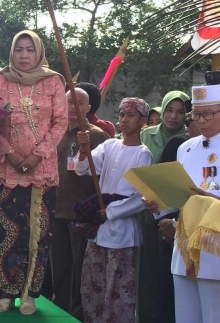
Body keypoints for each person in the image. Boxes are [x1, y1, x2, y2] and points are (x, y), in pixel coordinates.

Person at [144, 84, 220, 323]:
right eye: (196, 115)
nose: (201, 121)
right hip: (185, 243)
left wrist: (218, 201)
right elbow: (180, 194)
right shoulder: (185, 147)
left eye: (208, 114)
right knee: (186, 316)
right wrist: (159, 203)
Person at [0, 30, 67, 315]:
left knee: (37, 233)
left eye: (29, 50)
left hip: (41, 171)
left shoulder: (53, 81)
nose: (23, 55)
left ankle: (30, 293)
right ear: (11, 52)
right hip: (6, 170)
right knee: (6, 232)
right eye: (18, 50)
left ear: (38, 53)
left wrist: (36, 155)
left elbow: (60, 123)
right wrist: (10, 153)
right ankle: (5, 292)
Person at [75, 97, 153, 323]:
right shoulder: (109, 145)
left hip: (122, 231)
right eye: (122, 115)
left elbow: (141, 197)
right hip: (99, 228)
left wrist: (111, 212)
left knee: (118, 288)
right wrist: (83, 149)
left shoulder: (143, 154)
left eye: (131, 115)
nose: (125, 120)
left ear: (142, 120)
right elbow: (83, 169)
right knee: (93, 283)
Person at [51, 88, 108, 320]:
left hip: (81, 213)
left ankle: (77, 314)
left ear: (88, 108)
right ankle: (59, 311)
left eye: (79, 103)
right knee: (59, 268)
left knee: (80, 271)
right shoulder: (54, 133)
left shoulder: (97, 136)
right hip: (55, 210)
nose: (74, 107)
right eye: (69, 102)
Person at [137, 90, 189, 323]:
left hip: (176, 219)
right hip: (145, 213)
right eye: (169, 110)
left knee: (169, 273)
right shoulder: (146, 135)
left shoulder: (189, 142)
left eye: (180, 112)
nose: (173, 116)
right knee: (146, 272)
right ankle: (145, 316)